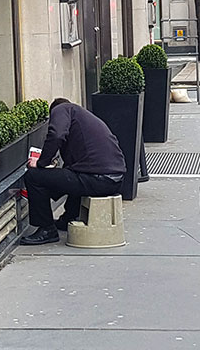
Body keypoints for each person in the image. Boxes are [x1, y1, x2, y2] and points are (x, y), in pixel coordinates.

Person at [19, 98, 126, 245]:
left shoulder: (62, 109)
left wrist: (41, 163)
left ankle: (46, 229)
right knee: (72, 178)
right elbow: (73, 173)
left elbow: (56, 135)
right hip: (114, 180)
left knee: (33, 177)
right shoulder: (83, 119)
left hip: (98, 178)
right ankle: (68, 218)